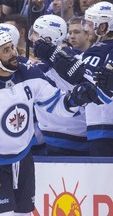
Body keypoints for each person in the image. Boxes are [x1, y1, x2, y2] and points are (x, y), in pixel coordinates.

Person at [0, 30, 99, 215]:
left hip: (23, 159)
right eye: (6, 50)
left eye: (12, 47)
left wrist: (74, 100)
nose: (14, 53)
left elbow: (54, 104)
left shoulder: (28, 72)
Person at [33, 1, 113, 156]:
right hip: (98, 128)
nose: (86, 29)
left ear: (103, 27)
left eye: (90, 24)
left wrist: (54, 56)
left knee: (103, 179)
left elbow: (86, 85)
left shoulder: (98, 51)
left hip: (102, 129)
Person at [29, 14, 90, 156]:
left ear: (48, 37)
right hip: (56, 139)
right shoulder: (81, 58)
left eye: (36, 33)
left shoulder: (78, 61)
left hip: (67, 137)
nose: (32, 38)